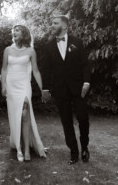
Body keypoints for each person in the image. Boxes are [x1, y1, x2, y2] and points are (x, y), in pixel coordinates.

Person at [42, 15, 91, 165]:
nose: (52, 25)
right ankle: (74, 152)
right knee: (66, 121)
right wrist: (45, 88)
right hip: (60, 89)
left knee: (83, 118)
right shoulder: (48, 46)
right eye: (52, 23)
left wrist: (87, 82)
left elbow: (85, 64)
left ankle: (84, 146)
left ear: (64, 26)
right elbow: (46, 69)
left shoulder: (77, 42)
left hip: (78, 88)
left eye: (55, 23)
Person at [0, 25, 47, 162]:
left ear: (24, 35)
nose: (14, 33)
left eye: (18, 31)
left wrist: (42, 89)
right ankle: (18, 146)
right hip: (11, 85)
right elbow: (3, 69)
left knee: (25, 114)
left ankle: (26, 150)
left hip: (24, 85)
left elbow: (36, 71)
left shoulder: (31, 51)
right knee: (16, 116)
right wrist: (3, 86)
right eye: (13, 32)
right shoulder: (7, 50)